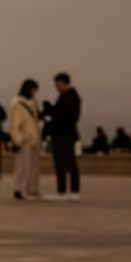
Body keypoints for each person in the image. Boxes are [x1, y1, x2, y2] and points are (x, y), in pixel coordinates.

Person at [46, 72, 81, 201]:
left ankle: (70, 191)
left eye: (56, 84)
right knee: (63, 163)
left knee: (67, 163)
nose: (56, 86)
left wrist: (52, 111)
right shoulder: (68, 97)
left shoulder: (70, 97)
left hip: (64, 135)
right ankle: (67, 191)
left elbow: (66, 116)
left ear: (62, 82)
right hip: (65, 134)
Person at [10, 79, 41, 201]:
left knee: (32, 167)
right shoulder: (18, 104)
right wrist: (17, 139)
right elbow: (15, 124)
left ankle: (31, 189)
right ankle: (19, 189)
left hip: (33, 138)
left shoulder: (32, 103)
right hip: (24, 140)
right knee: (22, 167)